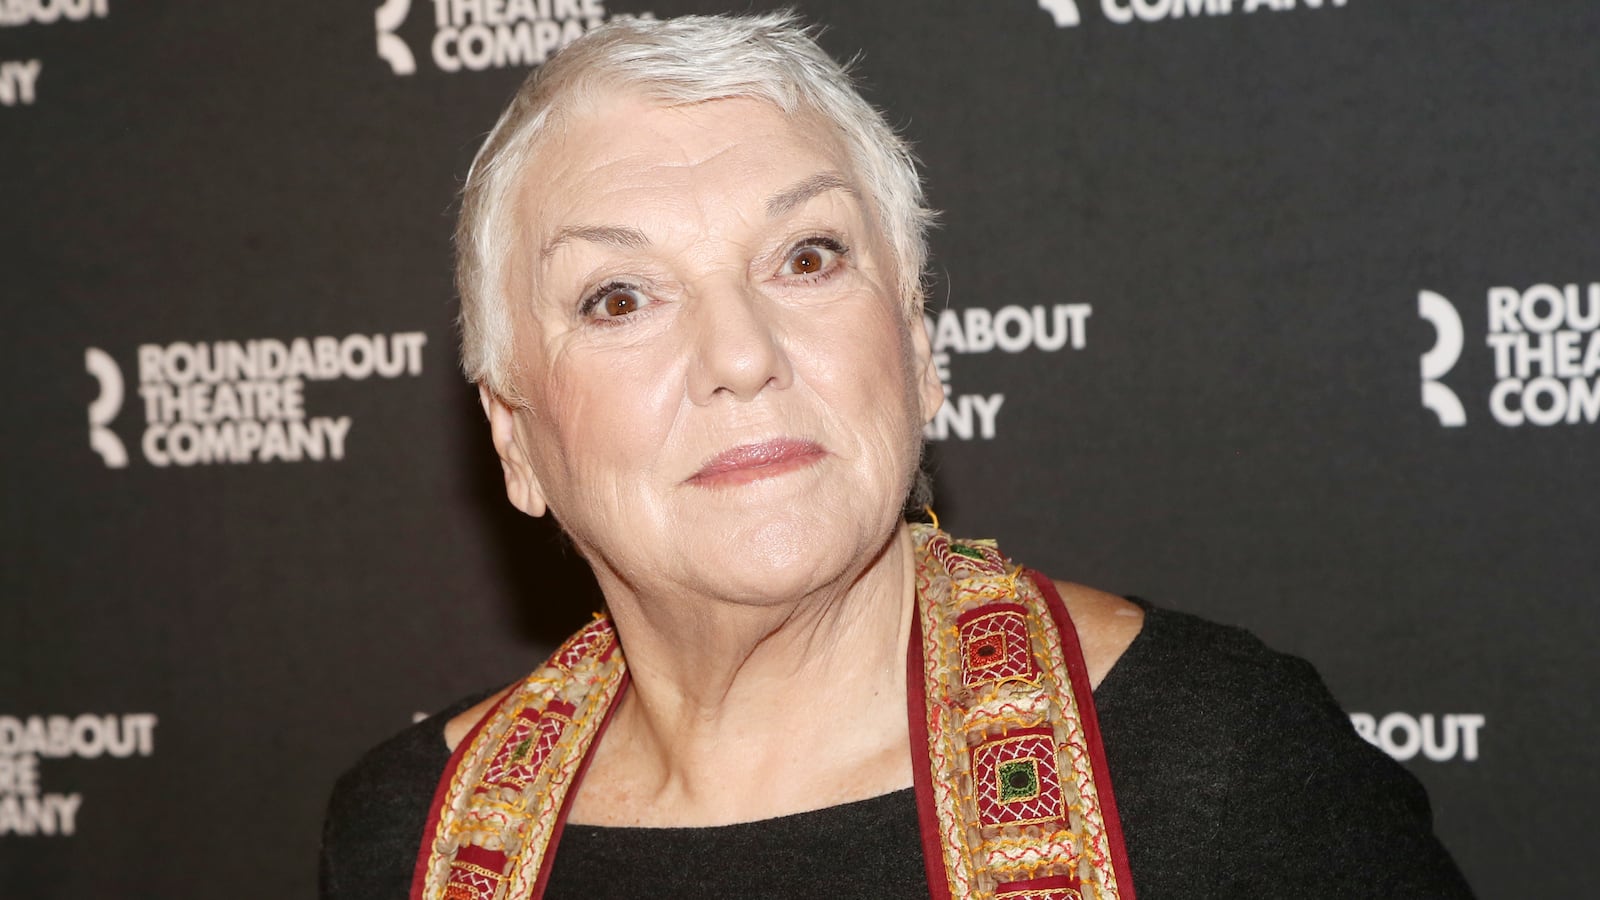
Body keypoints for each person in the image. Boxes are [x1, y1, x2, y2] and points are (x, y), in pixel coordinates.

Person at [321, 12, 1474, 900]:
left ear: (919, 352)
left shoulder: (1213, 763)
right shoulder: (410, 836)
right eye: (619, 297)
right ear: (515, 439)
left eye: (807, 257)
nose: (741, 354)